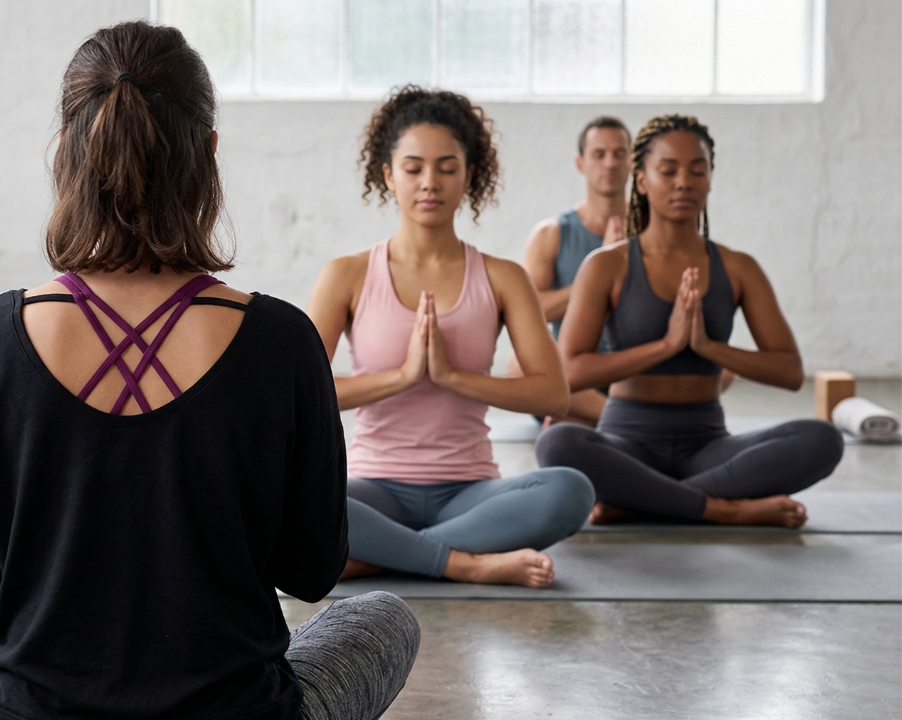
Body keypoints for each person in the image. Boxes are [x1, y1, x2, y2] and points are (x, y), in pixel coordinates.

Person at [0, 22, 419, 720]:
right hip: (237, 710)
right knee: (386, 616)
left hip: (36, 711)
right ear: (210, 153)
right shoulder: (282, 340)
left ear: (65, 153)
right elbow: (312, 572)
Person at [305, 86, 595, 590]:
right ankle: (466, 563)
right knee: (285, 493)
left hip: (471, 493)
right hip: (372, 489)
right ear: (388, 175)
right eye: (413, 167)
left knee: (572, 490)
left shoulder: (503, 278)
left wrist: (452, 377)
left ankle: (380, 555)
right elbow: (301, 395)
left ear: (469, 175)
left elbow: (553, 395)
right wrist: (402, 377)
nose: (429, 182)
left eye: (446, 167)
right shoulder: (347, 274)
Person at [535, 115, 844, 528]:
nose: (684, 182)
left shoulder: (738, 267)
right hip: (627, 442)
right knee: (557, 443)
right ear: (641, 181)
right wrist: (665, 346)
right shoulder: (607, 265)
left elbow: (789, 371)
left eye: (697, 170)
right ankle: (722, 508)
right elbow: (570, 372)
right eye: (668, 171)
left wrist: (708, 347)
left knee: (823, 439)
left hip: (708, 445)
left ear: (710, 179)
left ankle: (640, 501)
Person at [518, 116, 630, 426]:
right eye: (599, 154)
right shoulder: (551, 233)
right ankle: (619, 421)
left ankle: (584, 419)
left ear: (632, 161)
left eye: (619, 153)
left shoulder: (653, 232)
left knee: (719, 367)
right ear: (581, 163)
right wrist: (598, 268)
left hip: (633, 370)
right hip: (576, 375)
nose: (610, 163)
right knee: (518, 364)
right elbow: (533, 312)